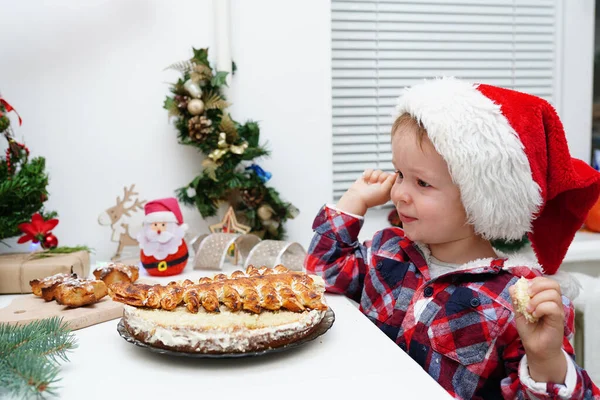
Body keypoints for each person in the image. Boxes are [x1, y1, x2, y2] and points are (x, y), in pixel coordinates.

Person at [305, 77, 600, 399]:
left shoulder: (520, 299)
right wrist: (354, 201)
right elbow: (322, 272)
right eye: (400, 174)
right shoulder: (387, 250)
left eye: (422, 183)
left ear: (483, 198)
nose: (400, 193)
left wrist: (546, 360)